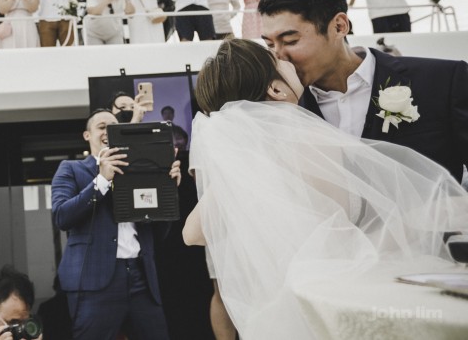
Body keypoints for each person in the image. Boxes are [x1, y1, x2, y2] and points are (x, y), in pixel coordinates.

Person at [182, 38, 468, 338]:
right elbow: (342, 235)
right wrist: (420, 219)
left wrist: (240, 160)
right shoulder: (307, 139)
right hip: (330, 298)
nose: (285, 58)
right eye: (276, 59)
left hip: (279, 309)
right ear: (276, 89)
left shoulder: (250, 156)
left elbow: (192, 233)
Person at [259, 0, 468, 184]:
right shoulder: (286, 116)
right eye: (269, 44)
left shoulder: (443, 81)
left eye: (291, 41)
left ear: (339, 27)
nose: (279, 56)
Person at [51, 109, 181, 340]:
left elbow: (158, 232)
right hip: (94, 282)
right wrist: (101, 180)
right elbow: (62, 216)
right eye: (102, 127)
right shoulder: (71, 169)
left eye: (113, 127)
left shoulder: (138, 170)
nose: (107, 132)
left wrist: (167, 189)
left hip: (141, 277)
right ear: (87, 135)